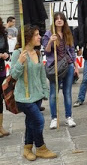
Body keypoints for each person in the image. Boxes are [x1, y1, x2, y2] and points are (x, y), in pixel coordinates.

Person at [11, 25, 57, 161]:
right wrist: (20, 62)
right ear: (28, 37)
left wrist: (45, 91)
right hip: (23, 97)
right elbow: (13, 75)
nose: (39, 37)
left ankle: (27, 148)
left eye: (39, 34)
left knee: (31, 122)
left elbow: (41, 75)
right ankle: (41, 147)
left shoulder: (37, 53)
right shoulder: (18, 53)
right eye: (36, 34)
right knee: (39, 121)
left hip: (37, 96)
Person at [42, 12, 78, 129]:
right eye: (56, 19)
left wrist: (75, 65)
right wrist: (51, 41)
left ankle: (69, 117)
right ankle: (54, 118)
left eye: (61, 18)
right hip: (55, 66)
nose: (59, 20)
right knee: (53, 94)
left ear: (64, 21)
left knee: (67, 92)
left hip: (68, 65)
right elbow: (46, 51)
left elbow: (72, 51)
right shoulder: (49, 34)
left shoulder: (68, 33)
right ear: (54, 21)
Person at [0, 17, 10, 137]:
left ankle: (1, 126)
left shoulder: (3, 34)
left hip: (1, 70)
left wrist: (6, 55)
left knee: (0, 99)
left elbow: (7, 50)